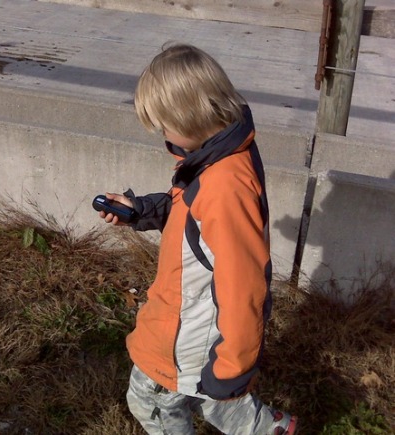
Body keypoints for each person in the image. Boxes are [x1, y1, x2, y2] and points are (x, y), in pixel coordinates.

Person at [96, 43, 298, 434]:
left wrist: (233, 366)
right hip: (195, 322)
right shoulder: (219, 154)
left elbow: (243, 286)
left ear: (189, 117)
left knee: (151, 400)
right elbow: (194, 217)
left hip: (185, 331)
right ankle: (267, 428)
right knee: (214, 398)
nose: (164, 137)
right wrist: (143, 210)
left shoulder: (224, 186)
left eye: (164, 127)